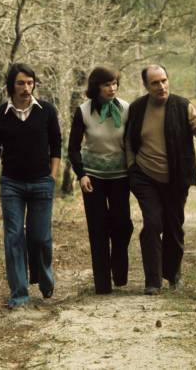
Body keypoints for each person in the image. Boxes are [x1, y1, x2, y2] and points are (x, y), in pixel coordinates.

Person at [126, 64, 196, 295]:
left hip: (176, 177)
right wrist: (132, 166)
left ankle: (172, 273)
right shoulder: (137, 108)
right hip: (145, 176)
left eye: (164, 80)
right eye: (155, 83)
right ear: (146, 86)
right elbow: (129, 141)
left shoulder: (182, 106)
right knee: (152, 224)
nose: (161, 86)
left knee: (174, 226)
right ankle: (152, 280)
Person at [0, 63, 62, 308]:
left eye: (30, 82)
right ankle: (19, 292)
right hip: (12, 185)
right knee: (14, 237)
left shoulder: (47, 111)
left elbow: (56, 146)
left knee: (40, 238)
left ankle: (44, 277)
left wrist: (52, 176)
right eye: (21, 83)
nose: (26, 88)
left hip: (41, 183)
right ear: (11, 85)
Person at [68, 66, 133, 294]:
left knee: (123, 225)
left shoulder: (125, 108)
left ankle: (120, 271)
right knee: (98, 229)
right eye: (107, 84)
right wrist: (81, 174)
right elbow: (73, 147)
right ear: (96, 87)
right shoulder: (84, 111)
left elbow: (134, 143)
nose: (112, 88)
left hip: (120, 177)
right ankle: (102, 283)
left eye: (115, 83)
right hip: (92, 177)